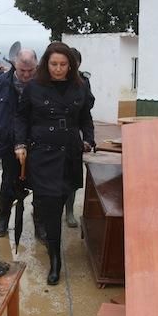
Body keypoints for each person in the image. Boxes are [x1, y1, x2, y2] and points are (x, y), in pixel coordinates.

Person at [14, 42, 95, 284]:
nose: (58, 69)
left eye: (63, 64)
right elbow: (21, 117)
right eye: (54, 64)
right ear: (46, 64)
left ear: (70, 66)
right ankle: (55, 259)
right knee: (50, 206)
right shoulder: (34, 88)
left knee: (60, 200)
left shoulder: (79, 88)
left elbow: (85, 117)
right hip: (43, 154)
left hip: (69, 153)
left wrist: (89, 139)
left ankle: (53, 245)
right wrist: (20, 144)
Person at [0, 48, 41, 239]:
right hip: (8, 144)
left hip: (36, 144)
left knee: (39, 185)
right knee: (8, 183)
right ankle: (3, 219)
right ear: (15, 65)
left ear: (36, 66)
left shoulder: (42, 84)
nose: (26, 75)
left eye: (30, 71)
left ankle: (39, 224)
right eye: (22, 71)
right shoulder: (2, 81)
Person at [63, 47, 96, 228]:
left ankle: (69, 212)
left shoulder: (83, 82)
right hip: (51, 138)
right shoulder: (50, 82)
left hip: (73, 136)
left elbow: (87, 113)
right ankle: (42, 210)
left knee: (73, 178)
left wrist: (88, 139)